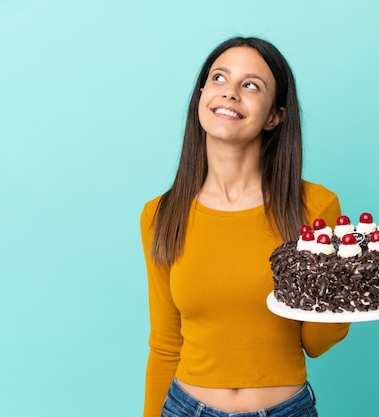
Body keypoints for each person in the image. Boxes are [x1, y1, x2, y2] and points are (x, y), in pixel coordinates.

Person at [140, 36, 350, 417]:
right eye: (219, 78)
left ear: (275, 115)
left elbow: (317, 342)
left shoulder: (315, 208)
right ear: (201, 94)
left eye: (251, 85)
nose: (230, 92)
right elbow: (166, 345)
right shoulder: (161, 215)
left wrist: (340, 293)